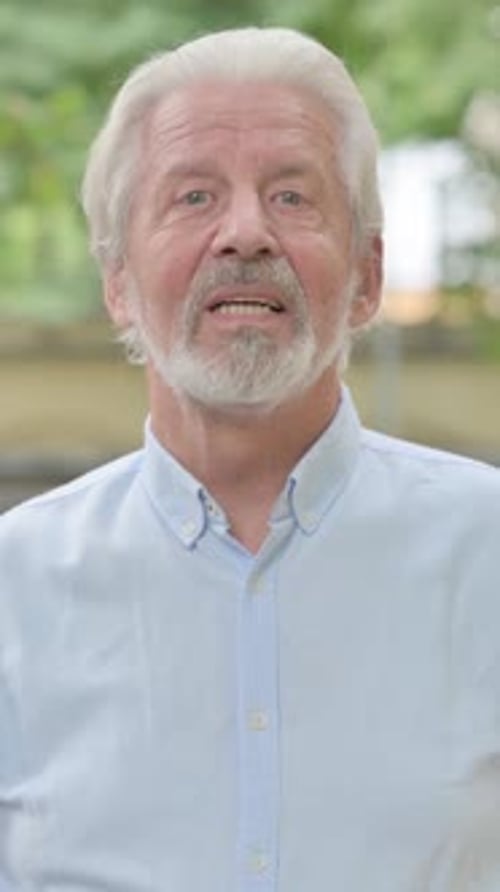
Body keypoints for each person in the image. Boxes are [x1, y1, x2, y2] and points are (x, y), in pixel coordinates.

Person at [0, 26, 499, 892]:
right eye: (193, 197)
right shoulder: (15, 589)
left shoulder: (486, 553)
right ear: (117, 278)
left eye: (294, 198)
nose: (245, 234)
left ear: (368, 274)